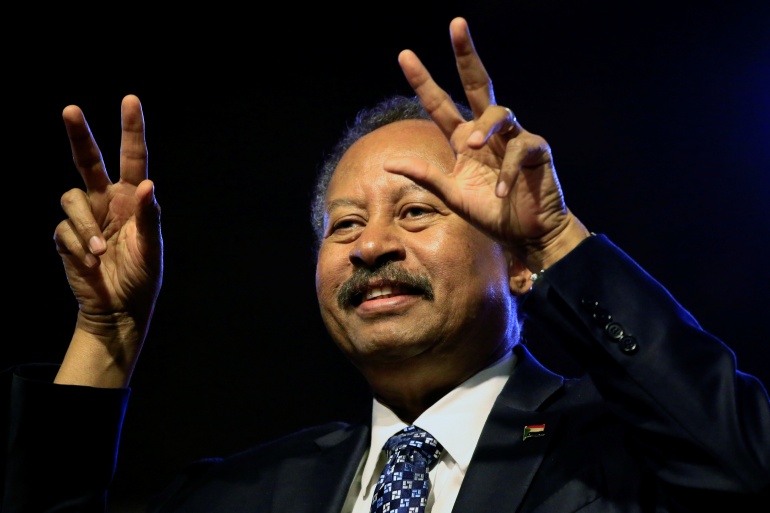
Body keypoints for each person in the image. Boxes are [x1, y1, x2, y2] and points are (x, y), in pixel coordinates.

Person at [2, 15, 769, 513]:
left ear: (520, 265)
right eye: (344, 225)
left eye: (416, 211)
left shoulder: (624, 454)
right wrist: (105, 333)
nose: (371, 247)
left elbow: (746, 473)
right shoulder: (249, 491)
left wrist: (558, 236)